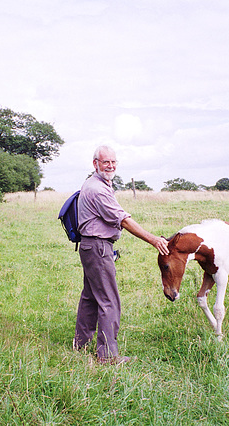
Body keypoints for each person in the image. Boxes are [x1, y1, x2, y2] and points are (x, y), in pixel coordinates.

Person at [73, 145, 169, 364]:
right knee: (109, 301)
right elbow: (123, 220)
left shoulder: (97, 184)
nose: (111, 166)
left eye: (114, 162)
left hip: (91, 247)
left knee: (90, 297)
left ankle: (81, 343)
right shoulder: (97, 189)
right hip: (98, 248)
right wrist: (154, 239)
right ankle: (107, 356)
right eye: (106, 162)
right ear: (95, 163)